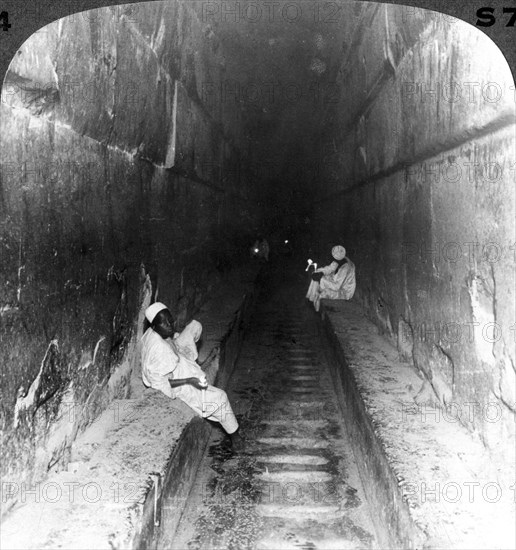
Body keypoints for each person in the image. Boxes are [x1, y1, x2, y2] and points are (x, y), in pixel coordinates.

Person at [141, 302, 244, 450]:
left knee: (195, 326)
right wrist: (189, 381)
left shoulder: (155, 332)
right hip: (176, 378)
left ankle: (192, 363)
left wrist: (175, 341)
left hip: (175, 355)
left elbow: (169, 338)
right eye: (164, 323)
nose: (169, 325)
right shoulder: (159, 351)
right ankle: (235, 436)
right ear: (154, 326)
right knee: (220, 397)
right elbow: (161, 385)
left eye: (170, 321)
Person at [306, 245, 356, 312]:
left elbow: (337, 286)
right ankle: (311, 300)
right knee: (316, 275)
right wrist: (320, 272)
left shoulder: (346, 267)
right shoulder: (339, 259)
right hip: (336, 285)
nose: (333, 261)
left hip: (343, 292)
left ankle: (316, 309)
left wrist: (321, 278)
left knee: (321, 293)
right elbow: (329, 268)